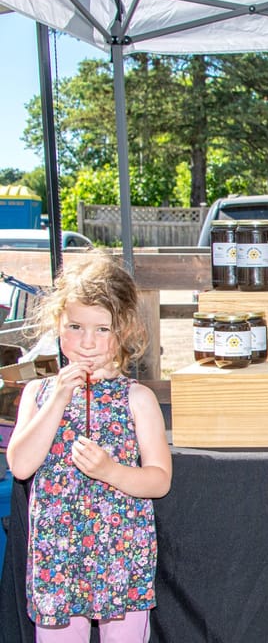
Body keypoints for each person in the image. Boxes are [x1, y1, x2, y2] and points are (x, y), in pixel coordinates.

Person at [5, 251, 172, 642]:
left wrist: (111, 472)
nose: (86, 342)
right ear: (57, 325)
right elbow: (21, 465)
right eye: (75, 327)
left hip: (121, 554)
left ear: (125, 331)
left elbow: (160, 479)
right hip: (57, 558)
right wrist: (58, 399)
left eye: (102, 329)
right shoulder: (38, 393)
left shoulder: (137, 399)